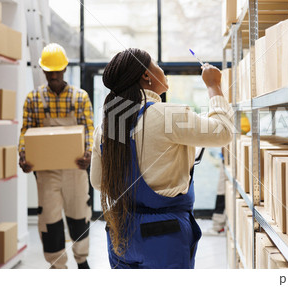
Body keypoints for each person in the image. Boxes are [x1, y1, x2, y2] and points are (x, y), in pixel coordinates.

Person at [90, 48, 233, 269]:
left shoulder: (108, 126)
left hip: (122, 235)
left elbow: (98, 182)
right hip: (164, 236)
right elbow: (223, 132)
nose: (162, 69)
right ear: (146, 75)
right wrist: (213, 86)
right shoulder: (169, 115)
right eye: (157, 64)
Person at [18, 43, 94, 269]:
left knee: (79, 216)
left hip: (75, 169)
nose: (53, 75)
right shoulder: (33, 99)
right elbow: (26, 131)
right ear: (42, 70)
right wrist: (23, 155)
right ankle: (58, 266)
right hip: (47, 172)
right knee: (50, 221)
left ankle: (82, 261)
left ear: (64, 69)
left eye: (57, 70)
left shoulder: (80, 98)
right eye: (48, 71)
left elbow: (88, 129)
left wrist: (88, 154)